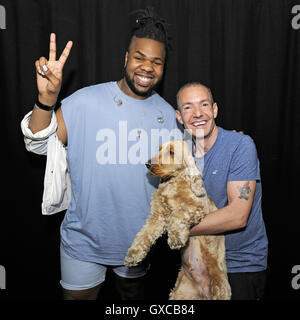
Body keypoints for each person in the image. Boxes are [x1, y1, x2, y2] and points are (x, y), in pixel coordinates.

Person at [25, 8, 180, 300]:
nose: (147, 67)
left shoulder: (168, 116)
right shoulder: (85, 101)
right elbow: (38, 144)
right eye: (139, 57)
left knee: (131, 297)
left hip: (138, 243)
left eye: (156, 62)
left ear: (163, 68)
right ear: (125, 58)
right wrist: (46, 99)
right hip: (83, 241)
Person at [175, 82, 268, 300]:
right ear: (179, 116)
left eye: (204, 105)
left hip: (239, 265)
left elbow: (238, 216)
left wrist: (175, 229)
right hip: (195, 267)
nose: (198, 113)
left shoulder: (240, 145)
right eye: (188, 107)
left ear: (214, 110)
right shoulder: (179, 155)